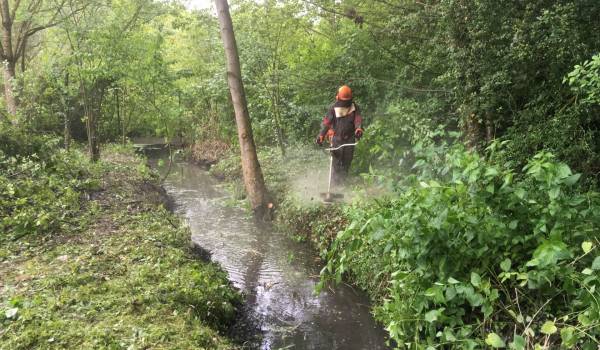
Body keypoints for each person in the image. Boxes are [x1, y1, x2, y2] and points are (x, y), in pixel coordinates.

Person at [316, 85, 363, 185]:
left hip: (349, 139)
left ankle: (342, 184)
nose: (345, 103)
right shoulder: (333, 108)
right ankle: (334, 187)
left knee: (346, 162)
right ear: (338, 98)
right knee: (336, 164)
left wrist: (358, 128)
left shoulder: (354, 107)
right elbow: (327, 123)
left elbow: (357, 119)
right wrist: (321, 135)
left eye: (347, 101)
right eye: (343, 100)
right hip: (336, 139)